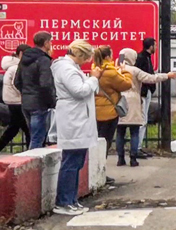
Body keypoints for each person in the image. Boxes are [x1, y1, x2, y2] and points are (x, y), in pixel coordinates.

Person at [51, 40, 101, 216]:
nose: (87, 61)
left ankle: (71, 199)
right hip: (73, 119)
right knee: (71, 162)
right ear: (80, 55)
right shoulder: (66, 68)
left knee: (77, 161)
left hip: (77, 118)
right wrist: (94, 78)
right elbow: (79, 91)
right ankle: (63, 201)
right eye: (86, 57)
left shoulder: (70, 68)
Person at [117, 48, 176, 167]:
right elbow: (151, 78)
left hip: (119, 101)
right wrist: (167, 76)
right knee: (134, 131)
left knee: (120, 132)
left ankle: (120, 158)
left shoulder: (116, 70)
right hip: (133, 101)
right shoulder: (134, 71)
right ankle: (133, 158)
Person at [94, 46, 133, 184]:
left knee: (97, 142)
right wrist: (124, 71)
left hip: (97, 111)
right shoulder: (110, 73)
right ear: (107, 57)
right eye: (110, 55)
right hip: (109, 112)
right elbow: (126, 84)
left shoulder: (95, 70)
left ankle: (96, 172)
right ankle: (100, 173)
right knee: (105, 143)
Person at [15, 31, 56, 150]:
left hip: (26, 103)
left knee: (33, 136)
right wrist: (52, 101)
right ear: (46, 43)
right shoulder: (43, 60)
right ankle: (31, 167)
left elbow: (17, 81)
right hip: (40, 103)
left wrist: (26, 93)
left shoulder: (25, 58)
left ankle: (30, 164)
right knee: (38, 139)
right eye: (50, 41)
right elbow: (46, 84)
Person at [0, 44, 32, 150]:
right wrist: (26, 94)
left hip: (12, 101)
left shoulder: (13, 66)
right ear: (21, 54)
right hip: (17, 101)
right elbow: (17, 84)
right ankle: (30, 153)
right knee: (28, 129)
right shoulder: (17, 68)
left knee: (14, 128)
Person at [134, 38, 157, 159]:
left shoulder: (147, 57)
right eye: (155, 45)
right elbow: (142, 76)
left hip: (146, 91)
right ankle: (137, 148)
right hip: (142, 93)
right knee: (142, 120)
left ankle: (139, 146)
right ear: (150, 46)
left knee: (144, 119)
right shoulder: (142, 58)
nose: (156, 48)